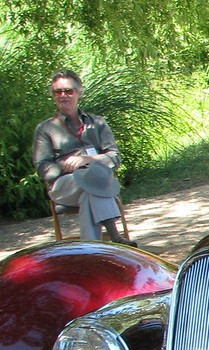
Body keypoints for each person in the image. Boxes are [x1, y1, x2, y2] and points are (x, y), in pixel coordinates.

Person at [33, 69, 135, 246]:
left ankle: (90, 248)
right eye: (58, 92)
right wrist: (65, 165)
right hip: (65, 184)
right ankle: (115, 237)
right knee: (92, 182)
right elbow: (43, 168)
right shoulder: (45, 129)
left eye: (69, 91)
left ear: (79, 93)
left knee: (90, 191)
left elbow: (115, 157)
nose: (63, 95)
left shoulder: (97, 123)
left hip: (95, 180)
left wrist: (89, 160)